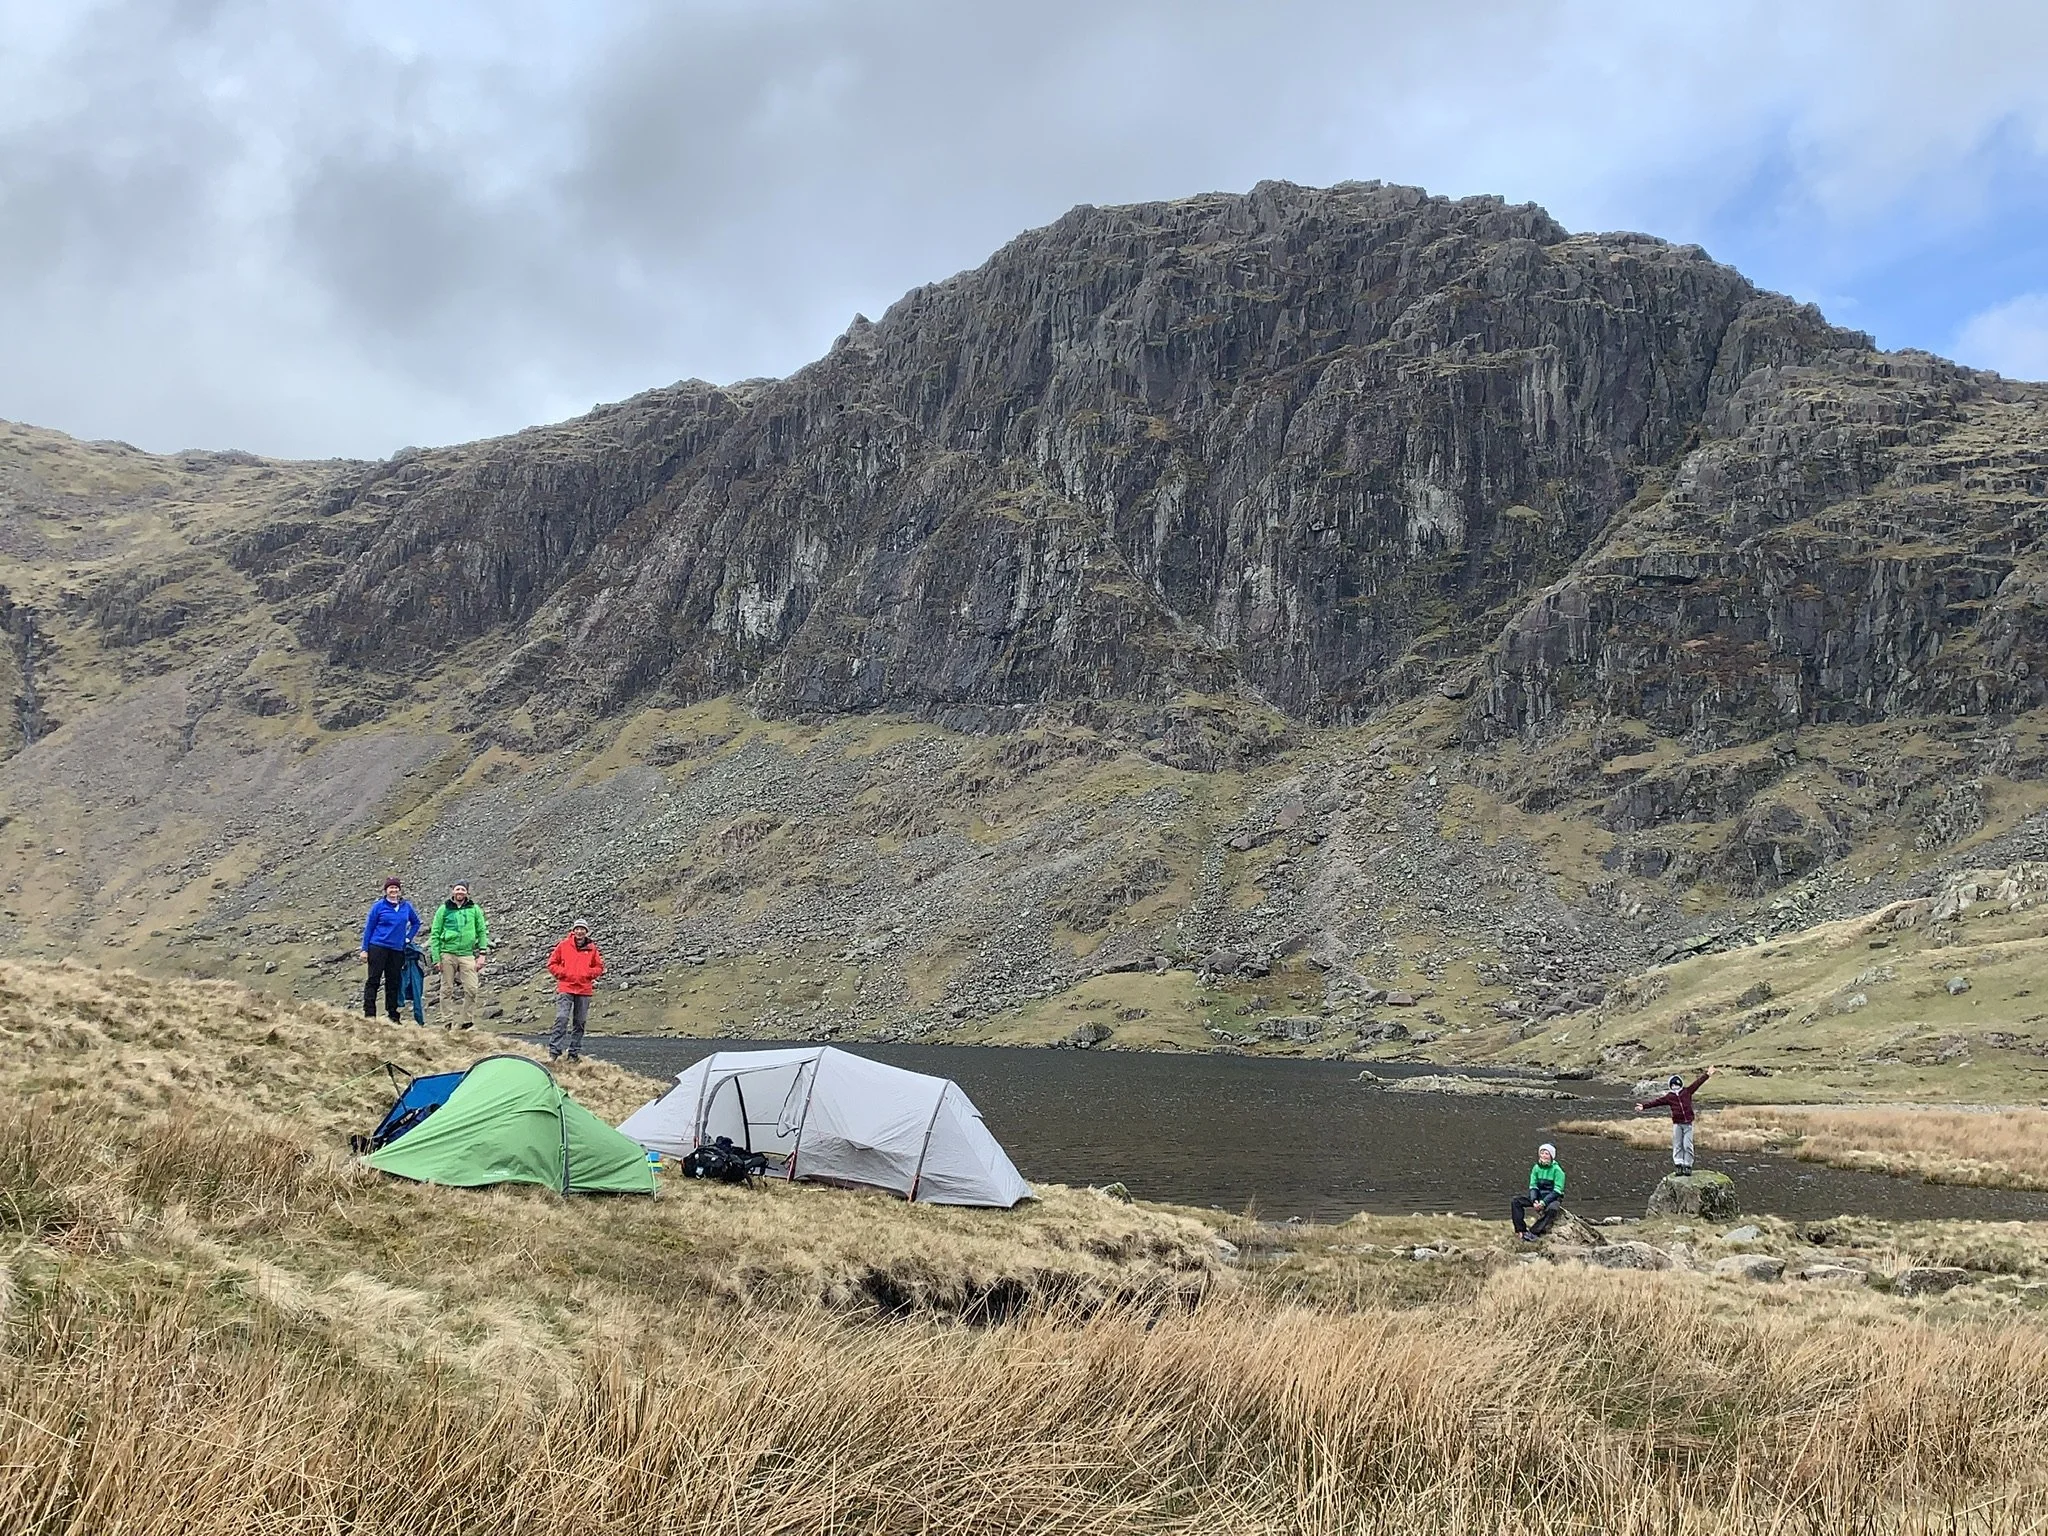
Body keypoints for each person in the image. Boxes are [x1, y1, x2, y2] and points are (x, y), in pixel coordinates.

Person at [427, 881, 490, 1030]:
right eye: (457, 889)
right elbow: (435, 933)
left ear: (467, 892)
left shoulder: (474, 909)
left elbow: (481, 931)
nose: (460, 892)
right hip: (447, 953)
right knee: (447, 988)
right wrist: (436, 958)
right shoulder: (444, 909)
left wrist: (482, 954)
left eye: (462, 889)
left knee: (472, 988)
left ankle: (466, 1021)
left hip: (467, 954)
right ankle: (447, 1020)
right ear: (453, 892)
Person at [358, 878, 421, 1023]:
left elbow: (416, 923)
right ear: (386, 891)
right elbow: (369, 928)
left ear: (399, 890)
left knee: (393, 981)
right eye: (390, 888)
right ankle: (369, 1014)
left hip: (397, 949)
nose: (393, 891)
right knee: (374, 979)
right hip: (378, 947)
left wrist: (408, 938)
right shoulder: (378, 907)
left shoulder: (406, 907)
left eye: (396, 888)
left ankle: (393, 1015)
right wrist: (364, 949)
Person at [1637, 1066, 1718, 1174]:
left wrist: (1707, 1074)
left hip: (1688, 1124)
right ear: (1670, 1086)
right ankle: (1678, 1165)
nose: (1675, 1087)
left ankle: (1688, 1165)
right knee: (1677, 1145)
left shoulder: (1687, 1092)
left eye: (1677, 1085)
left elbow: (1698, 1083)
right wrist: (1644, 1106)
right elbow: (1656, 1102)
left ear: (1681, 1084)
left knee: (1687, 1145)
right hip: (1677, 1124)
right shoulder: (1669, 1097)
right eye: (1673, 1085)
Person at [546, 918, 604, 1064]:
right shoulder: (564, 945)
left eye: (582, 929)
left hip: (584, 989)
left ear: (586, 931)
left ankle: (573, 1053)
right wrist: (563, 973)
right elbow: (552, 963)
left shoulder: (592, 948)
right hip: (566, 987)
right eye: (577, 928)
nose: (579, 931)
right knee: (562, 1018)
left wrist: (588, 974)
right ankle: (554, 1052)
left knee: (580, 1022)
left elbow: (599, 967)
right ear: (573, 930)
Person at [1511, 1143, 1566, 1242]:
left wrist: (1543, 1203)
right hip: (1538, 1195)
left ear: (1551, 1156)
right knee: (1516, 1201)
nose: (1544, 1156)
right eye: (1542, 1153)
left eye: (1546, 1153)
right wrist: (1534, 1200)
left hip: (1552, 1197)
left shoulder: (1558, 1171)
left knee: (1552, 1209)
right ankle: (1521, 1230)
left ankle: (1534, 1232)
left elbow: (1557, 1190)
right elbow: (1533, 1185)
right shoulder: (1536, 1168)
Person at [398, 939, 429, 1026]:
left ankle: (396, 1014)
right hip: (410, 965)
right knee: (417, 995)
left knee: (400, 991)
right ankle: (419, 1020)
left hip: (404, 965)